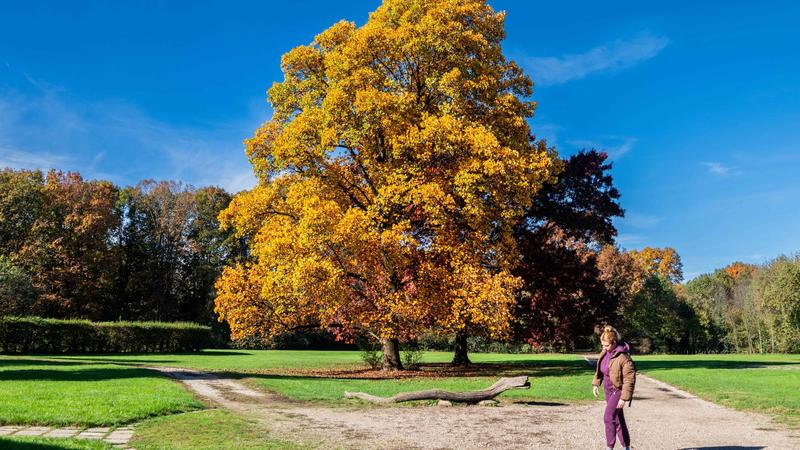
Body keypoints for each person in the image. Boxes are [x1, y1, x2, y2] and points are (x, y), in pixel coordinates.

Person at [592, 325, 635, 450]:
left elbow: (629, 378)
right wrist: (596, 383)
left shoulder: (623, 357)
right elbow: (600, 369)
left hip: (618, 390)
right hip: (607, 389)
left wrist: (624, 397)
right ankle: (626, 446)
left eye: (607, 345)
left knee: (608, 417)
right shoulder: (605, 353)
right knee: (617, 418)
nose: (604, 348)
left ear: (614, 343)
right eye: (603, 345)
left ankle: (609, 447)